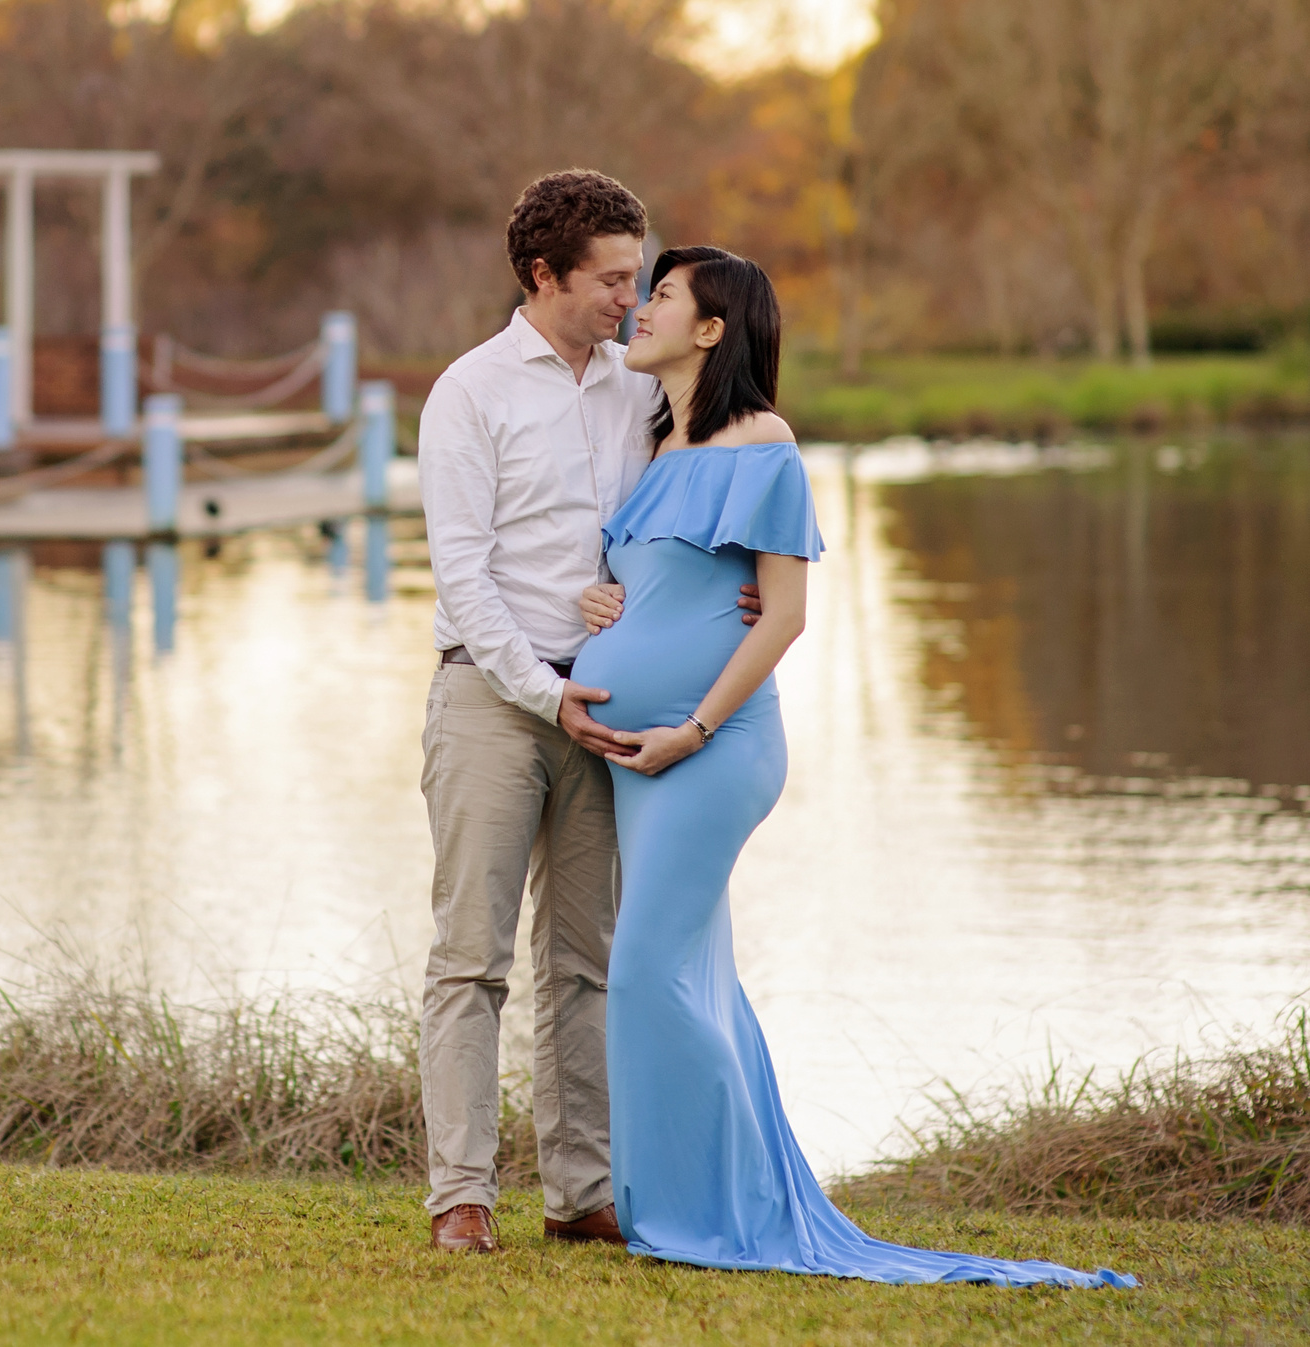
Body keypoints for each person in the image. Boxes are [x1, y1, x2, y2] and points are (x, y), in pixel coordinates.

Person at [569, 246, 1136, 1288]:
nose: (638, 308)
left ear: (710, 331)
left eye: (660, 296)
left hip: (710, 751)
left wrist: (689, 728)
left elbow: (782, 613)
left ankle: (707, 1218)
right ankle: (703, 1204)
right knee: (695, 982)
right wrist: (600, 609)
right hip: (633, 759)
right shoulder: (650, 443)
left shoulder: (761, 445)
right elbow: (656, 585)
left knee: (647, 970)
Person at [416, 173, 762, 1253]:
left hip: (611, 710)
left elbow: (684, 517)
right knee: (470, 959)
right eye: (612, 278)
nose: (630, 296)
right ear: (543, 275)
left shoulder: (637, 392)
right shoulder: (467, 393)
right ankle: (461, 1196)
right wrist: (542, 692)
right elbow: (462, 574)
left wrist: (736, 586)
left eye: (637, 277)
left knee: (587, 963)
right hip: (491, 695)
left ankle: (581, 1194)